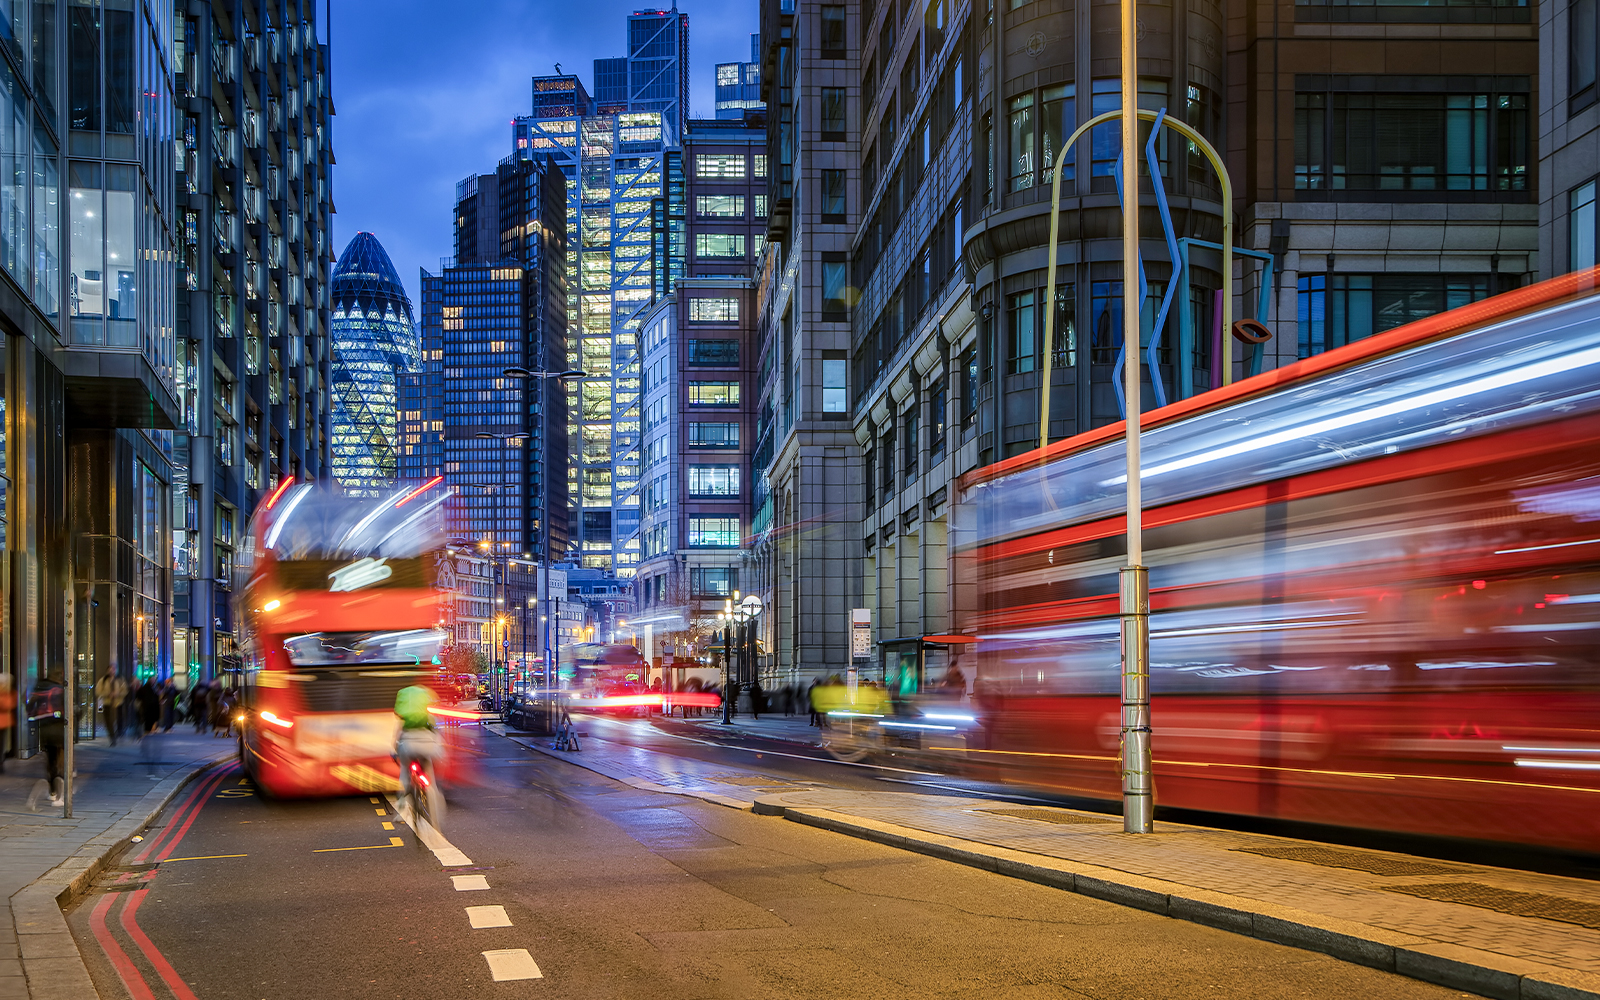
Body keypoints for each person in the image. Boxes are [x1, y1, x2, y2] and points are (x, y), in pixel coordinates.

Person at [394, 682, 442, 820]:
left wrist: (395, 747)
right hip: (427, 746)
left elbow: (397, 735)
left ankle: (402, 806)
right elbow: (436, 731)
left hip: (408, 745)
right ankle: (432, 797)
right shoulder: (428, 716)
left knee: (404, 772)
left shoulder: (405, 717)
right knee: (429, 774)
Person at [25, 676, 66, 810]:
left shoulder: (39, 690)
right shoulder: (59, 690)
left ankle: (53, 790)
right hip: (58, 728)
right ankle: (59, 790)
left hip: (44, 729)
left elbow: (29, 706)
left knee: (50, 760)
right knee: (59, 757)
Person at [0, 675, 15, 773]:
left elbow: (9, 704)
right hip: (3, 723)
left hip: (3, 724)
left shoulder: (8, 694)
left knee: (1, 744)